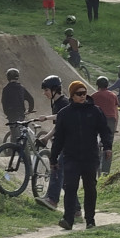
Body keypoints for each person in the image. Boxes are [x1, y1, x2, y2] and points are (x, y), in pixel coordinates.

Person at [50, 80, 112, 230]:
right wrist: (53, 158)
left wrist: (107, 147)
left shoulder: (95, 111)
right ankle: (68, 220)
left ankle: (90, 220)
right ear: (72, 95)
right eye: (79, 94)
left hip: (90, 157)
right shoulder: (64, 114)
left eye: (84, 93)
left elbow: (105, 130)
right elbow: (58, 138)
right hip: (71, 157)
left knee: (90, 188)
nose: (83, 96)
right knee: (70, 187)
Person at [35, 75, 72, 212]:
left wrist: (46, 118)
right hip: (62, 142)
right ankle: (76, 209)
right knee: (63, 178)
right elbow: (58, 126)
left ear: (55, 89)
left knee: (56, 169)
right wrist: (48, 137)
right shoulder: (56, 103)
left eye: (46, 90)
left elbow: (61, 118)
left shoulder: (64, 102)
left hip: (68, 143)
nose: (44, 93)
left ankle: (52, 200)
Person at [90, 76, 119, 175]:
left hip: (97, 120)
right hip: (110, 121)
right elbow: (116, 112)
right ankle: (106, 172)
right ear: (107, 85)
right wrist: (114, 127)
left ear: (97, 85)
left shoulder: (94, 96)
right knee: (108, 146)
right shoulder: (113, 96)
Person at [1, 67, 35, 140]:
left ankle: (14, 149)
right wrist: (29, 110)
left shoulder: (6, 89)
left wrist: (7, 113)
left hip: (11, 115)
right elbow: (31, 99)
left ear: (8, 77)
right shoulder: (21, 88)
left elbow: (4, 102)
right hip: (21, 114)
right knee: (22, 131)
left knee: (15, 136)